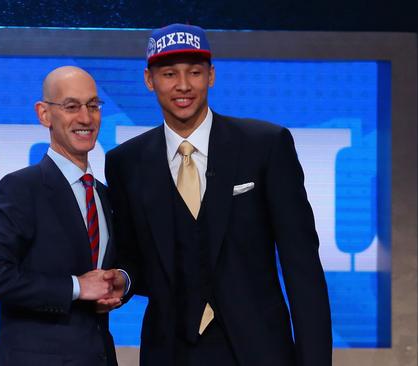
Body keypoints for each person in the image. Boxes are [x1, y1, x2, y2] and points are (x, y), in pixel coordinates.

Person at [105, 24, 332, 366]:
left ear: (211, 76)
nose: (183, 85)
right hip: (169, 353)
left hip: (260, 352)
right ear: (149, 80)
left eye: (194, 72)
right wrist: (121, 278)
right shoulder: (126, 163)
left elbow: (303, 268)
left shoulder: (265, 146)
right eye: (169, 73)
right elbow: (134, 259)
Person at [0, 66, 124, 366]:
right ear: (44, 114)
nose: (85, 118)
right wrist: (77, 287)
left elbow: (112, 272)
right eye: (71, 106)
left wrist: (119, 282)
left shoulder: (105, 195)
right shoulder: (22, 188)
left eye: (93, 105)